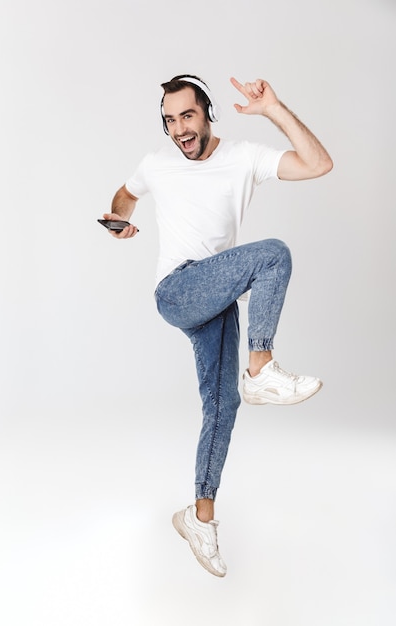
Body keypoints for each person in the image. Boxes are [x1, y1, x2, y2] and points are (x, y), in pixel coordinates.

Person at [101, 74, 333, 578]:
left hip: (217, 295)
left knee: (222, 406)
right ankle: (262, 368)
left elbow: (319, 164)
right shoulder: (156, 164)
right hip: (178, 291)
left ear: (207, 112)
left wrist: (274, 108)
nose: (179, 130)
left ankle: (199, 517)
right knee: (273, 254)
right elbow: (124, 194)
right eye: (169, 121)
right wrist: (118, 220)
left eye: (187, 116)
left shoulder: (244, 156)